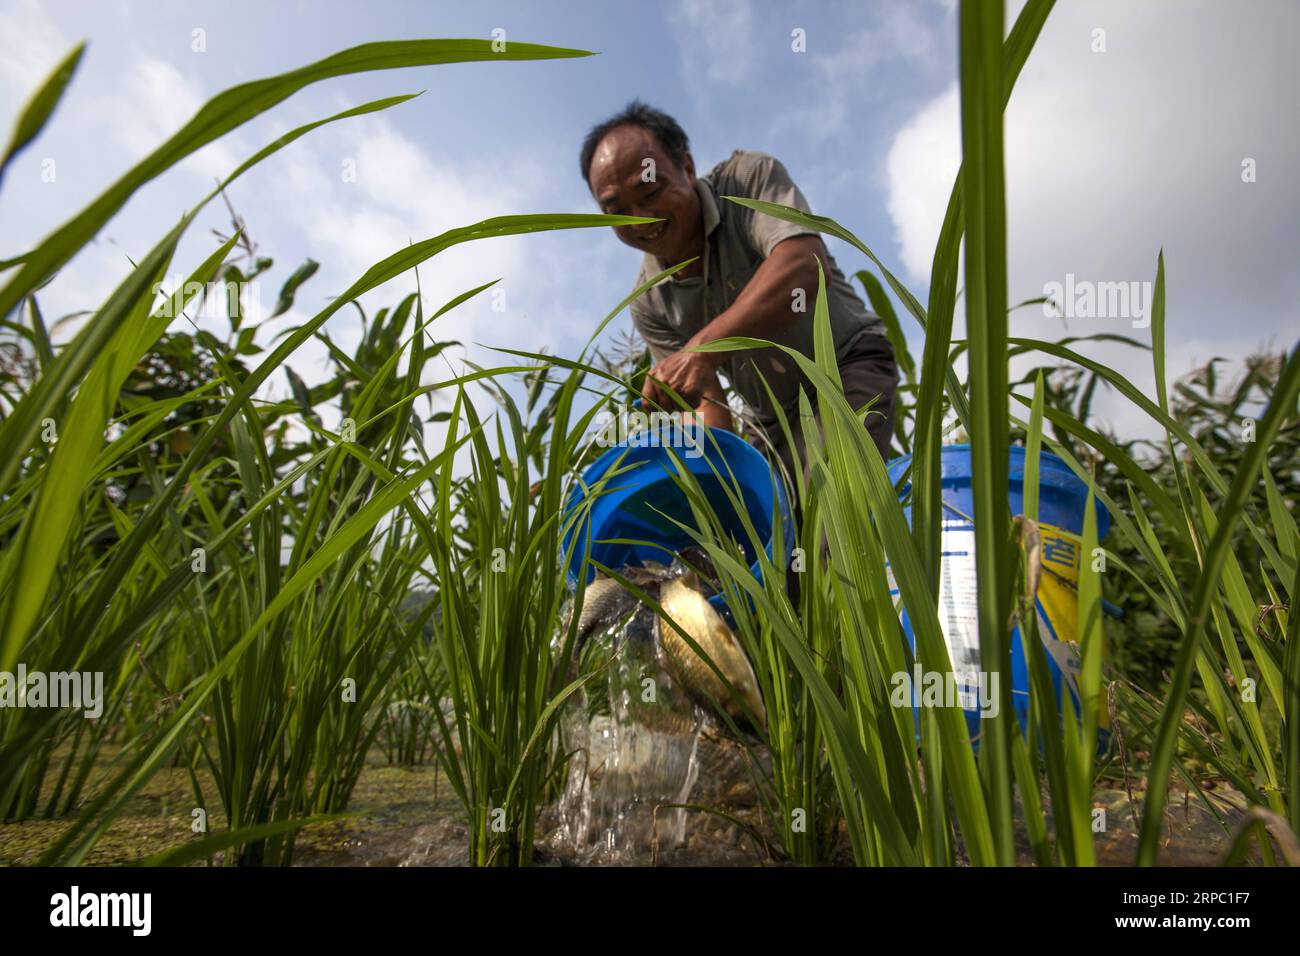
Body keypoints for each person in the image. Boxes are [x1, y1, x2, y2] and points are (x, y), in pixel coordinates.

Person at [580, 100, 899, 488]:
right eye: (617, 210)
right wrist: (717, 486)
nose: (640, 220)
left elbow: (803, 267)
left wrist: (703, 349)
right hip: (770, 423)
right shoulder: (649, 303)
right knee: (765, 539)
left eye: (649, 193)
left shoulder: (747, 179)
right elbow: (703, 403)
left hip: (843, 370)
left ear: (687, 167)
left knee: (834, 527)